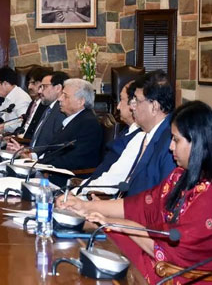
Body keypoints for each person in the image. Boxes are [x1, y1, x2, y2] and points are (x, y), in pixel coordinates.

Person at [58, 101, 212, 283]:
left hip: (175, 274)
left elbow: (175, 252)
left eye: (176, 140)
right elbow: (139, 206)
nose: (170, 147)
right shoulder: (179, 175)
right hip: (151, 256)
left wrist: (119, 224)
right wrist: (86, 206)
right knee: (86, 240)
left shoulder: (207, 196)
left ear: (197, 141)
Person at [74, 80, 144, 196]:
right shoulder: (127, 130)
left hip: (100, 195)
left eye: (121, 100)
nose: (118, 107)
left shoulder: (140, 137)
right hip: (92, 186)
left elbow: (113, 182)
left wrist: (79, 191)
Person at [38, 78, 103, 186]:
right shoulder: (74, 118)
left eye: (65, 96)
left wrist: (40, 165)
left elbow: (75, 160)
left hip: (66, 180)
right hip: (50, 172)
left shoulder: (88, 124)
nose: (60, 98)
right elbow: (55, 150)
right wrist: (35, 160)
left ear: (80, 101)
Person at [14, 67, 49, 139]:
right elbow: (24, 127)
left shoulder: (45, 105)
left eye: (33, 83)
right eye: (28, 83)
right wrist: (14, 136)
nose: (29, 87)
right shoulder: (33, 103)